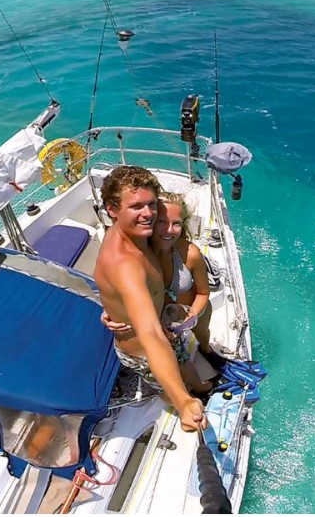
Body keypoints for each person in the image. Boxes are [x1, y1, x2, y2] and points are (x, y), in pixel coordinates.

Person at [93, 166, 207, 433]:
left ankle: (198, 387)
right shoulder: (126, 265)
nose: (148, 215)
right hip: (145, 353)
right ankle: (176, 401)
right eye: (136, 207)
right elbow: (151, 335)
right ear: (112, 209)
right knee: (169, 391)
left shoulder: (131, 234)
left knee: (184, 363)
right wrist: (183, 401)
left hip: (163, 331)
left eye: (151, 205)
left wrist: (109, 307)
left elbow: (107, 284)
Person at [103, 192, 228, 382]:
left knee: (203, 336)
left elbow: (203, 292)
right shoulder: (137, 256)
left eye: (176, 223)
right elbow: (117, 290)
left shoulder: (190, 253)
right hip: (161, 321)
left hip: (195, 312)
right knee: (173, 359)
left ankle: (206, 350)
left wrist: (191, 316)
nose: (169, 230)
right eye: (161, 222)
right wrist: (108, 312)